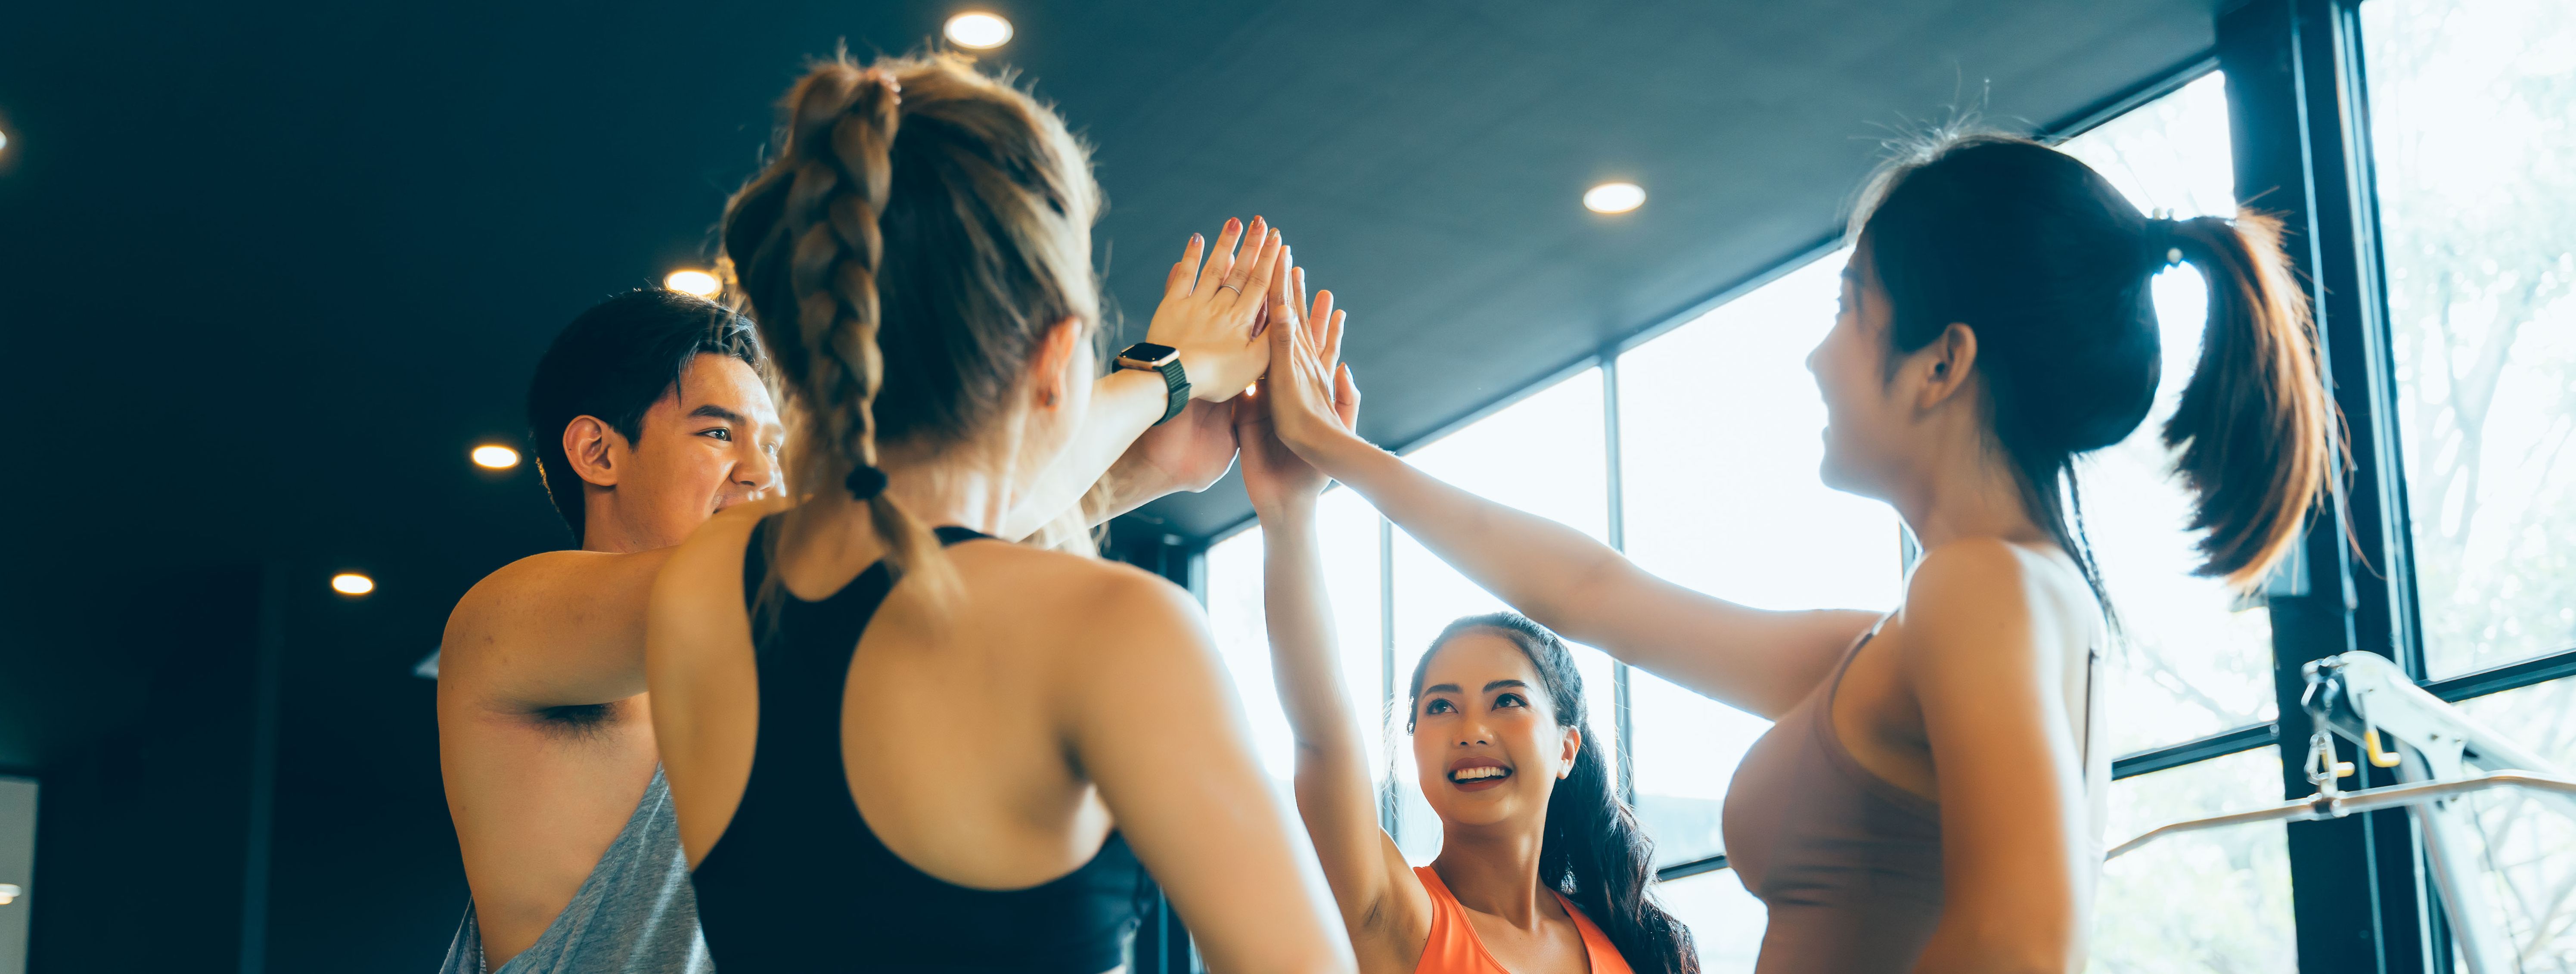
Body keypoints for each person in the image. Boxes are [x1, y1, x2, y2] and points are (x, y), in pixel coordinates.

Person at [1254, 132, 2331, 973]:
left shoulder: (1982, 586)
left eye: (1849, 309)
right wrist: (1333, 451)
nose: (1817, 357)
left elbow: (2021, 949)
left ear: (1941, 364)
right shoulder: (1949, 622)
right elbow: (1589, 591)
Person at [642, 53, 1353, 973]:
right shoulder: (1114, 632)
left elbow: (910, 537)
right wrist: (1160, 384)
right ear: (1060, 357)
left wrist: (1155, 394)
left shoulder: (707, 583)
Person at [437, 250, 1263, 966]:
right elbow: (890, 535)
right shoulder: (507, 624)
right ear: (596, 451)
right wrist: (1158, 377)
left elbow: (928, 540)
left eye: (773, 442)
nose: (764, 473)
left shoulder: (790, 650)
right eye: (719, 434)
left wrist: (1144, 470)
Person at [1231, 275, 1695, 974]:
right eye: (1439, 706)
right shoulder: (1394, 913)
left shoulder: (1635, 944)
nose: (1470, 728)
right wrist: (1287, 514)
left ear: (1567, 745)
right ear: (1414, 745)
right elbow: (1322, 739)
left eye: (1506, 700)